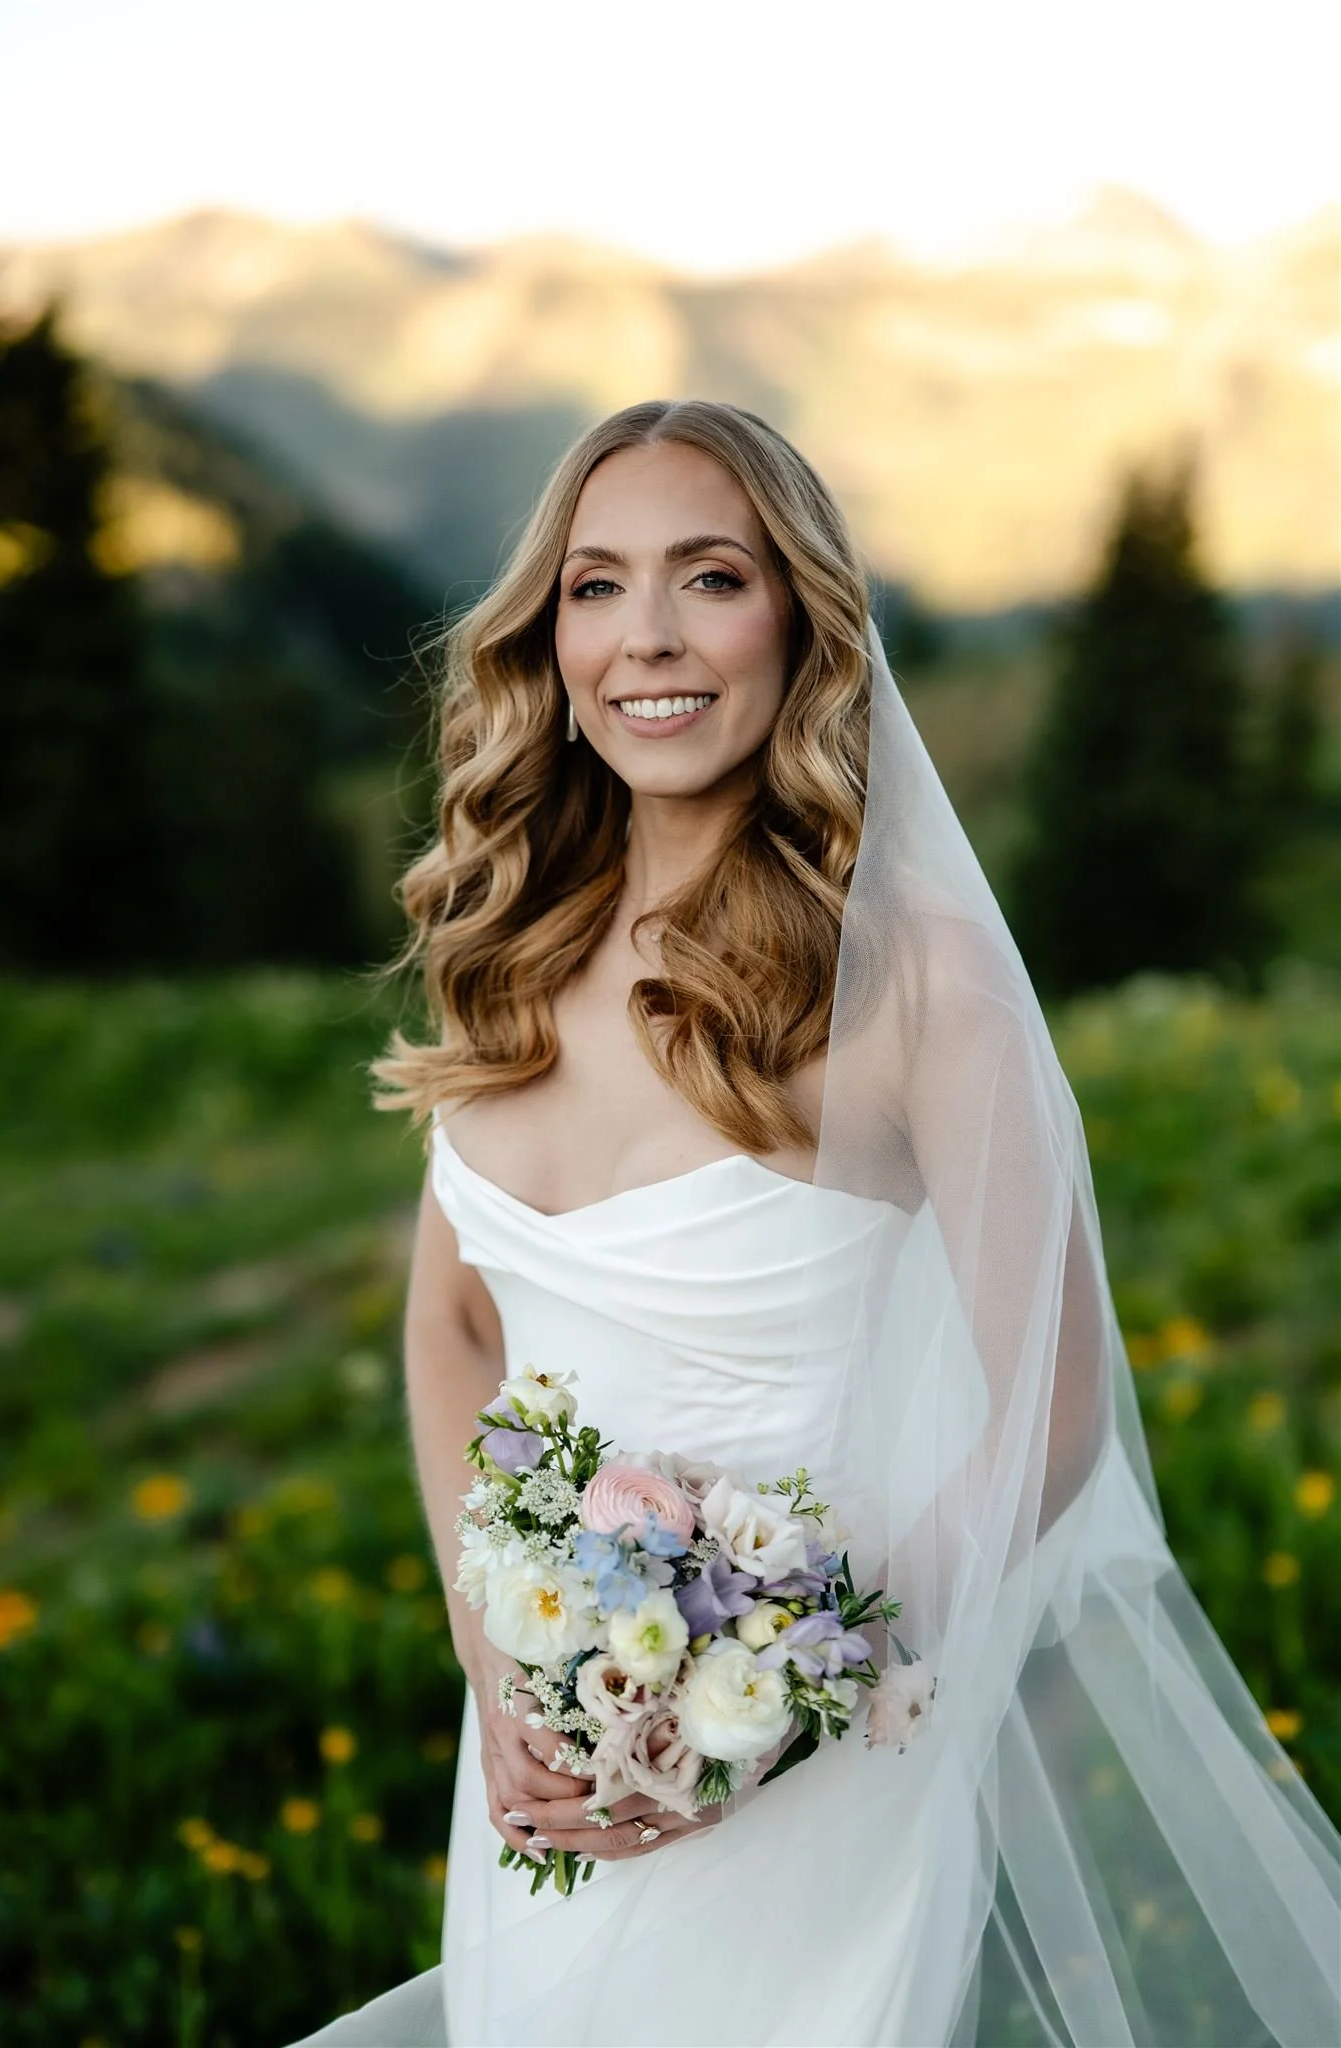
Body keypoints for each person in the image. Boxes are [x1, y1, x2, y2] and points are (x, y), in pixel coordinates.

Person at [290, 400, 1340, 2047]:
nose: (646, 636)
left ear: (802, 620)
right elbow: (456, 1327)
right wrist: (496, 1662)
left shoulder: (915, 981)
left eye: (709, 577)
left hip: (806, 1768)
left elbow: (1054, 1405)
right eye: (595, 585)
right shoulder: (506, 949)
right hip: (552, 1758)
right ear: (547, 636)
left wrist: (776, 1696)